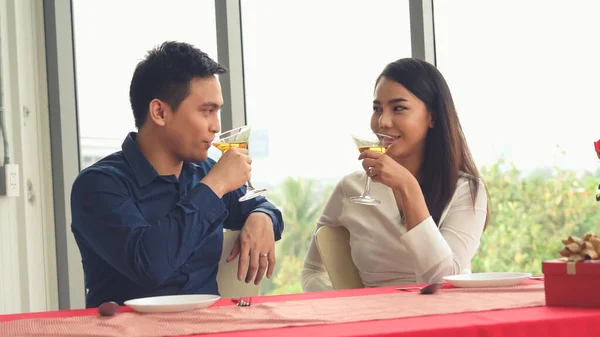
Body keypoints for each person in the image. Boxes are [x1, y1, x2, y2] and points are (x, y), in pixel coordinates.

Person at [71, 41, 284, 308]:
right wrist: (215, 185)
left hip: (207, 326)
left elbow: (266, 208)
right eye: (206, 111)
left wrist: (261, 216)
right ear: (160, 112)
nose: (216, 127)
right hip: (126, 330)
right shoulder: (97, 185)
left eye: (218, 111)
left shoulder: (203, 172)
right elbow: (149, 266)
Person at [301, 58, 488, 291]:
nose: (383, 122)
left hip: (446, 318)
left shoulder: (466, 189)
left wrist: (407, 187)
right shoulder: (351, 188)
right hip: (376, 321)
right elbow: (312, 271)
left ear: (432, 117)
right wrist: (344, 310)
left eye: (398, 108)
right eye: (377, 109)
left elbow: (442, 282)